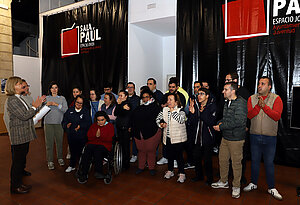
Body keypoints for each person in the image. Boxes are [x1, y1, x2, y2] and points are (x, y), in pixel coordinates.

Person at [243, 76, 283, 200]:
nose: (259, 86)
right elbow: (249, 115)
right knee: (254, 161)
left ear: (269, 86)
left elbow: (276, 116)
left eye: (263, 84)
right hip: (254, 135)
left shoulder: (276, 99)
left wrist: (264, 107)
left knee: (269, 163)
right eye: (259, 83)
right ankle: (253, 183)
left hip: (270, 137)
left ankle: (271, 187)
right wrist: (258, 107)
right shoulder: (251, 98)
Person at [5, 76, 45, 194]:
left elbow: (26, 114)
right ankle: (15, 186)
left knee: (21, 160)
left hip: (24, 134)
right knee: (17, 162)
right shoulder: (12, 100)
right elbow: (24, 116)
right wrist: (35, 106)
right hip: (19, 135)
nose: (22, 85)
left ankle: (19, 183)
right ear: (13, 86)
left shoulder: (19, 98)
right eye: (19, 83)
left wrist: (35, 106)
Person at [211, 82, 247, 199]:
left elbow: (239, 122)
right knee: (223, 160)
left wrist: (221, 127)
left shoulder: (241, 103)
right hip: (225, 137)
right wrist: (219, 122)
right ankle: (223, 181)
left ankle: (236, 186)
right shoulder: (227, 102)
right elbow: (226, 118)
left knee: (236, 164)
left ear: (233, 91)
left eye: (225, 89)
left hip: (236, 139)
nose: (223, 91)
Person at [224, 72, 251, 184]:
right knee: (226, 156)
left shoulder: (243, 93)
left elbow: (247, 110)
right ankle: (227, 175)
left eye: (228, 80)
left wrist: (247, 125)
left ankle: (240, 178)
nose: (225, 82)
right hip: (227, 131)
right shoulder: (226, 94)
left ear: (235, 81)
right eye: (225, 80)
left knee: (239, 157)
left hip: (239, 130)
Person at [156, 93, 187, 183]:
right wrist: (161, 124)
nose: (168, 102)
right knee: (169, 155)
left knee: (179, 157)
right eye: (168, 100)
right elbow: (158, 119)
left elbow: (181, 120)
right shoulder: (164, 110)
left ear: (176, 102)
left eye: (170, 100)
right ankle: (170, 170)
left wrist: (173, 111)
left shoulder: (181, 110)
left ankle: (182, 173)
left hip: (179, 138)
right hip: (168, 137)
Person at [188, 88, 216, 185]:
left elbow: (210, 122)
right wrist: (192, 113)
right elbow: (193, 122)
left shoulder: (212, 106)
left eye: (202, 94)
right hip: (197, 137)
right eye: (198, 94)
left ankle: (209, 179)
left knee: (207, 160)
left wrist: (202, 112)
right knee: (196, 157)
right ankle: (198, 176)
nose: (199, 96)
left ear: (207, 96)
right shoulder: (196, 106)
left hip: (207, 138)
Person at [77, 111, 114, 184]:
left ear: (106, 119)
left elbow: (109, 139)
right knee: (87, 150)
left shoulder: (110, 126)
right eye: (98, 120)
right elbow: (89, 137)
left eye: (102, 120)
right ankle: (84, 172)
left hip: (105, 145)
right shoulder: (93, 126)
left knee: (98, 150)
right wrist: (95, 136)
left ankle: (98, 171)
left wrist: (100, 136)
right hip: (93, 144)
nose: (100, 122)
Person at [157, 78, 187, 166]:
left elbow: (182, 108)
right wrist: (161, 122)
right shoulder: (165, 95)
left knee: (177, 148)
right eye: (170, 87)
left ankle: (176, 161)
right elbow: (161, 107)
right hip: (167, 124)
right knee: (166, 143)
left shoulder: (181, 95)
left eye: (173, 87)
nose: (171, 88)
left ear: (177, 87)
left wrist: (172, 109)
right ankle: (166, 158)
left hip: (177, 127)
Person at [131, 89, 161, 175]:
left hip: (151, 133)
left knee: (151, 151)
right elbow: (133, 119)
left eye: (147, 97)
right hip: (139, 133)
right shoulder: (139, 108)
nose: (145, 99)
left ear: (151, 96)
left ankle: (151, 168)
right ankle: (141, 167)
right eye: (143, 97)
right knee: (141, 151)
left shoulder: (156, 107)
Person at [62, 95, 91, 173]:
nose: (78, 104)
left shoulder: (85, 111)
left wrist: (80, 126)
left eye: (81, 103)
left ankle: (82, 167)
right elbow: (64, 121)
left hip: (82, 136)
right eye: (77, 102)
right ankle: (72, 165)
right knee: (72, 151)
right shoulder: (70, 110)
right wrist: (66, 125)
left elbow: (88, 123)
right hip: (71, 136)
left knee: (81, 152)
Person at [44, 82, 68, 170]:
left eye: (56, 87)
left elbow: (66, 110)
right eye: (52, 88)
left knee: (59, 142)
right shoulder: (46, 98)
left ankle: (60, 158)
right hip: (48, 123)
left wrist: (56, 105)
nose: (54, 89)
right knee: (49, 143)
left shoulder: (62, 98)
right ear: (50, 89)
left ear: (58, 89)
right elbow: (40, 110)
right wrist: (46, 104)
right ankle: (50, 161)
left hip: (59, 123)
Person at [115, 90, 132, 169]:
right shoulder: (120, 104)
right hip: (119, 128)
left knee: (126, 147)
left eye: (121, 96)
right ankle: (121, 162)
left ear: (126, 96)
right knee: (120, 145)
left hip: (125, 128)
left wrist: (119, 106)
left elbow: (123, 113)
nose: (119, 97)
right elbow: (116, 113)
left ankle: (126, 164)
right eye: (119, 95)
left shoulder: (128, 104)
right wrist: (119, 106)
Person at [127, 82, 140, 163]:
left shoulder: (138, 99)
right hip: (125, 122)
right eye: (128, 87)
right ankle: (126, 155)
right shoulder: (124, 98)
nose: (130, 89)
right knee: (126, 140)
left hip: (134, 122)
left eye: (131, 87)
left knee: (135, 140)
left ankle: (135, 155)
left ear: (134, 89)